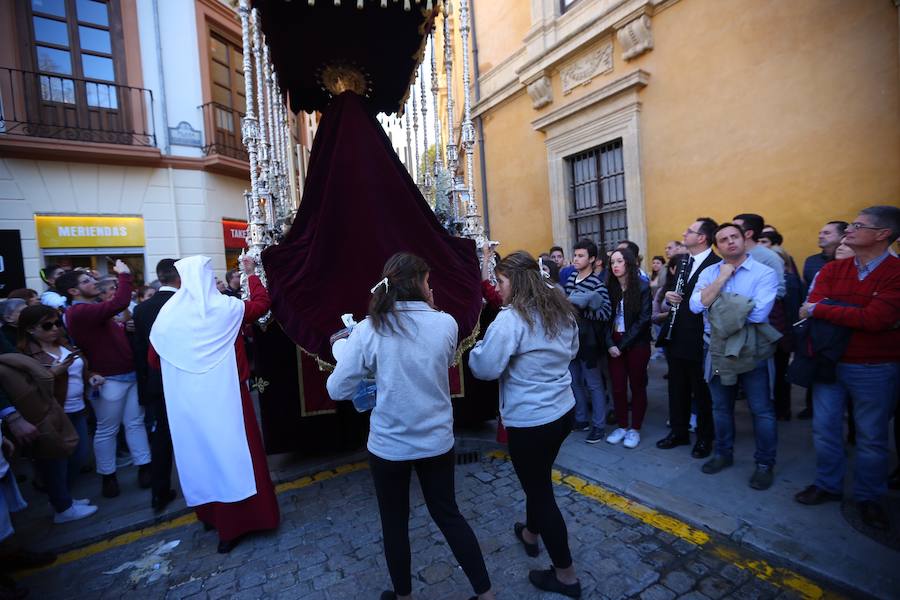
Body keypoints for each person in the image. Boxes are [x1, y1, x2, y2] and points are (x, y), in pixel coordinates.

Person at [327, 253, 494, 600]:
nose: (431, 288)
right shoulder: (445, 323)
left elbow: (338, 388)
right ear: (418, 284)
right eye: (428, 282)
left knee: (394, 522)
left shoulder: (370, 329)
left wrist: (345, 347)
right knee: (449, 515)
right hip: (435, 439)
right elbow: (443, 359)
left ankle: (403, 597)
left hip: (390, 445)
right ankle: (486, 593)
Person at [469, 251, 582, 598]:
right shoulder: (560, 310)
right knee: (539, 480)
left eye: (500, 282)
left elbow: (485, 368)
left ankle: (566, 576)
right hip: (562, 411)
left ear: (515, 282)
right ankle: (531, 534)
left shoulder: (512, 320)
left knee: (540, 492)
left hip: (532, 421)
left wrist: (477, 348)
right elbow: (573, 351)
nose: (497, 288)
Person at [150, 255, 279, 553]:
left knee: (203, 456)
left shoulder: (168, 315)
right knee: (236, 457)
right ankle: (244, 521)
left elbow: (155, 359)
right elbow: (260, 304)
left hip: (190, 403)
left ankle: (213, 518)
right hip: (228, 396)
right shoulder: (224, 308)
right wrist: (251, 274)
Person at [794, 206, 900, 531]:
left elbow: (876, 319)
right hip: (828, 363)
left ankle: (869, 497)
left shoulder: (895, 273)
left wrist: (824, 309)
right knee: (825, 429)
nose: (848, 231)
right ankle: (828, 484)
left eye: (857, 226)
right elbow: (806, 309)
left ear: (882, 234)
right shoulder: (832, 271)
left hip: (874, 367)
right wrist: (841, 310)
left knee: (871, 437)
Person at [690, 223, 780, 490]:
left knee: (761, 410)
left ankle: (765, 463)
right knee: (720, 407)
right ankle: (723, 454)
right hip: (716, 350)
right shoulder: (710, 272)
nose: (730, 242)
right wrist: (721, 279)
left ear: (744, 239)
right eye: (723, 239)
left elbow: (759, 314)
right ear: (717, 246)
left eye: (734, 237)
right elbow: (696, 306)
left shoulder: (764, 273)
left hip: (752, 349)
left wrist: (715, 306)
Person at [55, 261, 151, 498]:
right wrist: (125, 275)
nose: (94, 282)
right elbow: (119, 302)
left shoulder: (93, 309)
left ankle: (144, 468)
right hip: (109, 380)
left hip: (127, 375)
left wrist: (124, 328)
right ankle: (108, 476)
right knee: (107, 430)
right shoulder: (77, 312)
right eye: (86, 281)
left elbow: (112, 327)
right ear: (73, 292)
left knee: (134, 423)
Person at [17, 305, 99, 523]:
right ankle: (62, 507)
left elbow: (80, 369)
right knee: (56, 463)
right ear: (31, 330)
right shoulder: (25, 355)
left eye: (57, 323)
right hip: (54, 413)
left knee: (79, 456)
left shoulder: (64, 344)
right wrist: (53, 373)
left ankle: (65, 499)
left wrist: (90, 377)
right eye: (47, 325)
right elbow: (25, 389)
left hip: (78, 408)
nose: (55, 328)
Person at [655, 218, 720, 458]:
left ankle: (705, 438)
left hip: (699, 339)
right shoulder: (683, 261)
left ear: (702, 238)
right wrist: (671, 295)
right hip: (676, 335)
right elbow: (678, 294)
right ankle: (679, 432)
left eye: (690, 230)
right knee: (676, 387)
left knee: (702, 393)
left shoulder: (716, 264)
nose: (685, 232)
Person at [132, 259, 180, 513]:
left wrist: (146, 388)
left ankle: (158, 493)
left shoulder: (141, 310)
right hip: (185, 381)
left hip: (156, 382)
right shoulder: (185, 304)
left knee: (162, 437)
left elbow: (140, 354)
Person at [797, 220, 848, 420]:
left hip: (846, 334)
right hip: (819, 330)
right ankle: (812, 407)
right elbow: (809, 297)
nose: (821, 235)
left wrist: (819, 308)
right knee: (819, 373)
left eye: (827, 232)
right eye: (820, 232)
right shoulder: (812, 262)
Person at [601, 249, 652, 449]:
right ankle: (622, 426)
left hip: (636, 344)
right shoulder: (608, 287)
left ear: (628, 263)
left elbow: (644, 319)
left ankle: (635, 428)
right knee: (618, 387)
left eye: (619, 261)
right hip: (614, 343)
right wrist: (610, 344)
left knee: (637, 386)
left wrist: (621, 346)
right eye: (612, 262)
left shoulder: (642, 286)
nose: (615, 265)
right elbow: (604, 319)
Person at [563, 239, 611, 443]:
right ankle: (581, 420)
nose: (576, 259)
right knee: (574, 382)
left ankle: (599, 426)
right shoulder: (572, 277)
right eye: (575, 255)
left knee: (593, 384)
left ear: (592, 259)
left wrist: (583, 311)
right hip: (570, 339)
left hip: (589, 342)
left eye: (581, 255)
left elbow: (606, 313)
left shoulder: (597, 284)